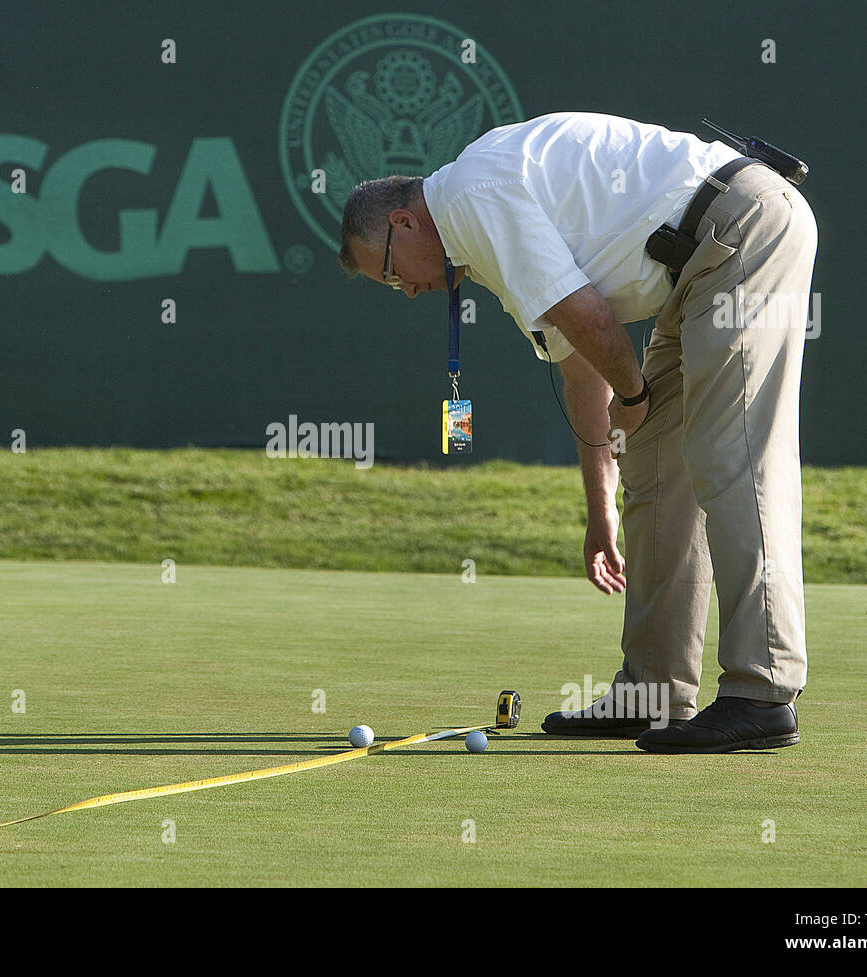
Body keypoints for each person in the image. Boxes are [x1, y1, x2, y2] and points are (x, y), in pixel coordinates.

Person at [337, 111, 817, 753]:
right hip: (697, 268)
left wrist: (635, 391)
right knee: (655, 467)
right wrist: (601, 514)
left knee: (733, 453)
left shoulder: (471, 197)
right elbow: (579, 359)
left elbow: (588, 318)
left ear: (402, 222)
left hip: (741, 229)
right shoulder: (477, 234)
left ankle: (763, 693)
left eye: (393, 273)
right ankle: (652, 693)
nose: (408, 292)